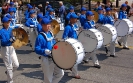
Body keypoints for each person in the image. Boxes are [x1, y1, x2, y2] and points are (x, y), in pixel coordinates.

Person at [35, 17, 64, 83]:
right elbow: (37, 49)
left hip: (54, 57)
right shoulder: (40, 37)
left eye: (49, 24)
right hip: (46, 59)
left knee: (60, 74)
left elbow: (53, 43)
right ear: (42, 25)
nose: (49, 26)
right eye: (46, 24)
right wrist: (44, 51)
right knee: (48, 78)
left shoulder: (50, 33)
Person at [0, 16, 19, 83]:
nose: (8, 23)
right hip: (5, 49)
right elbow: (3, 41)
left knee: (16, 65)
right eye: (7, 22)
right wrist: (11, 39)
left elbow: (16, 31)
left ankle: (8, 72)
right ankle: (10, 81)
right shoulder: (1, 31)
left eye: (9, 22)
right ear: (3, 23)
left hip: (11, 47)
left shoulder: (11, 29)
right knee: (9, 66)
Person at [62, 14, 81, 79]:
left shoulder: (75, 25)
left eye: (76, 18)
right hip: (71, 45)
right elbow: (64, 37)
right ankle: (75, 74)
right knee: (74, 59)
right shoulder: (68, 27)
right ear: (71, 19)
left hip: (76, 43)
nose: (76, 20)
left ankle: (70, 66)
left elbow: (76, 33)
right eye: (74, 18)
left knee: (71, 59)